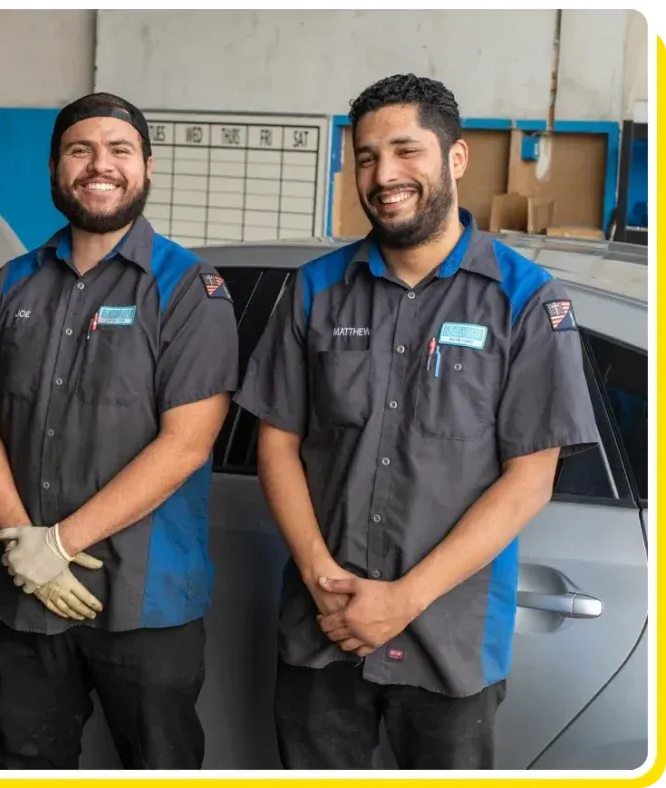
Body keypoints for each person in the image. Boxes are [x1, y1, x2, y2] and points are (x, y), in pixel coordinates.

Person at [232, 74, 600, 770]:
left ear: (455, 159)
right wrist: (320, 581)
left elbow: (529, 480)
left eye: (406, 151)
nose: (384, 174)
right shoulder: (314, 290)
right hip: (323, 631)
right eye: (367, 156)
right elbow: (275, 443)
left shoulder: (522, 300)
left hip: (449, 645)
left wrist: (402, 600)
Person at [0, 92, 239, 769]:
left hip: (147, 599)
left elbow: (187, 443)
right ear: (55, 169)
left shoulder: (188, 290)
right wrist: (27, 548)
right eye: (80, 151)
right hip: (24, 598)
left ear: (147, 167)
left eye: (118, 150)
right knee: (25, 763)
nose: (99, 165)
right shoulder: (10, 286)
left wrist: (60, 543)